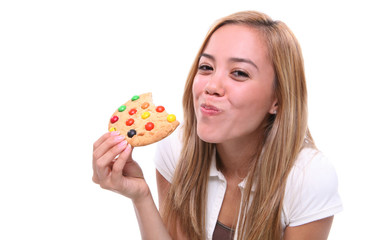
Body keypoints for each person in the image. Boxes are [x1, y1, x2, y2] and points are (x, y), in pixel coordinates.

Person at [92, 11, 343, 240]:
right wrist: (141, 196)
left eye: (239, 73)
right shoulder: (176, 149)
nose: (211, 86)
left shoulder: (308, 178)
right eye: (206, 67)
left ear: (277, 99)